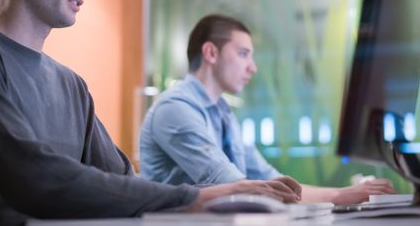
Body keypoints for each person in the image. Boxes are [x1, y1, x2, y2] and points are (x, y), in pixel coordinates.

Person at [0, 0, 302, 226]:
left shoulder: (70, 84)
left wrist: (212, 200)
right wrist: (196, 196)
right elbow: (33, 178)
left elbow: (122, 182)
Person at [140, 14, 396, 204]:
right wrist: (340, 195)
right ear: (211, 53)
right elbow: (233, 184)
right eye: (243, 54)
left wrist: (343, 195)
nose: (253, 67)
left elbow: (271, 182)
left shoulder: (224, 116)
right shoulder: (175, 108)